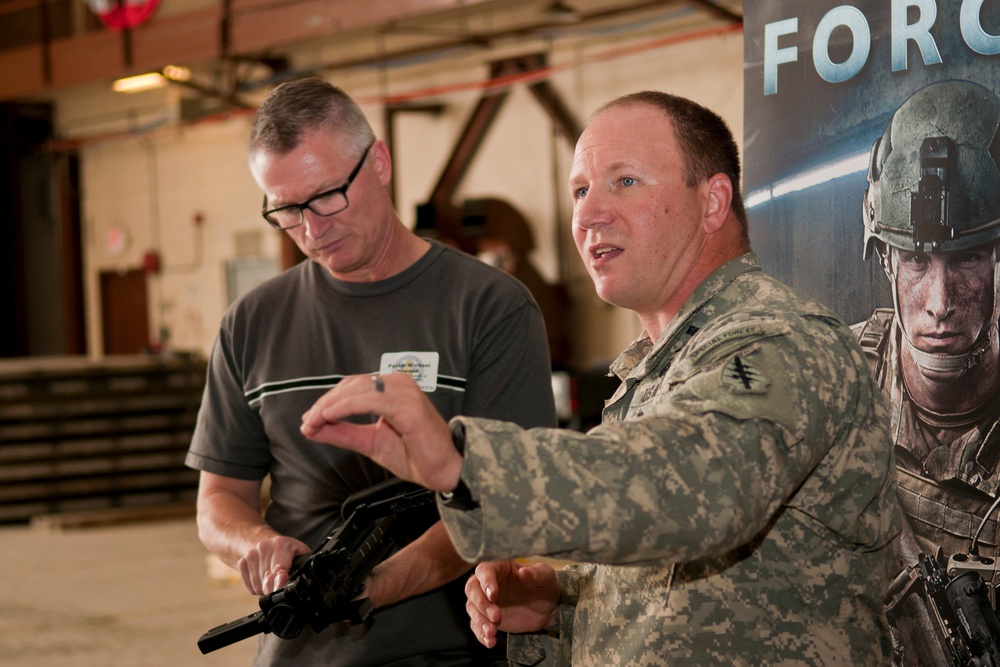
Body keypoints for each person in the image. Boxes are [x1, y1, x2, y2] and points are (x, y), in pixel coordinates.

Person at [299, 90, 901, 665]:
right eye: (580, 190)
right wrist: (560, 605)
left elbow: (690, 488)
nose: (588, 212)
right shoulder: (655, 371)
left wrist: (463, 465)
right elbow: (686, 590)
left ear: (713, 202)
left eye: (625, 182)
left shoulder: (783, 342)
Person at [184, 77, 557, 666]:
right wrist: (252, 543)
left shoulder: (489, 307)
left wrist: (371, 585)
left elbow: (508, 503)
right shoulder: (251, 322)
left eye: (328, 195)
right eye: (285, 209)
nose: (312, 227)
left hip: (447, 652)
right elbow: (219, 500)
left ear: (378, 162)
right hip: (294, 655)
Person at [852, 79, 1000, 665]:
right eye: (917, 259)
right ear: (886, 258)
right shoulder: (827, 389)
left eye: (966, 258)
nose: (939, 301)